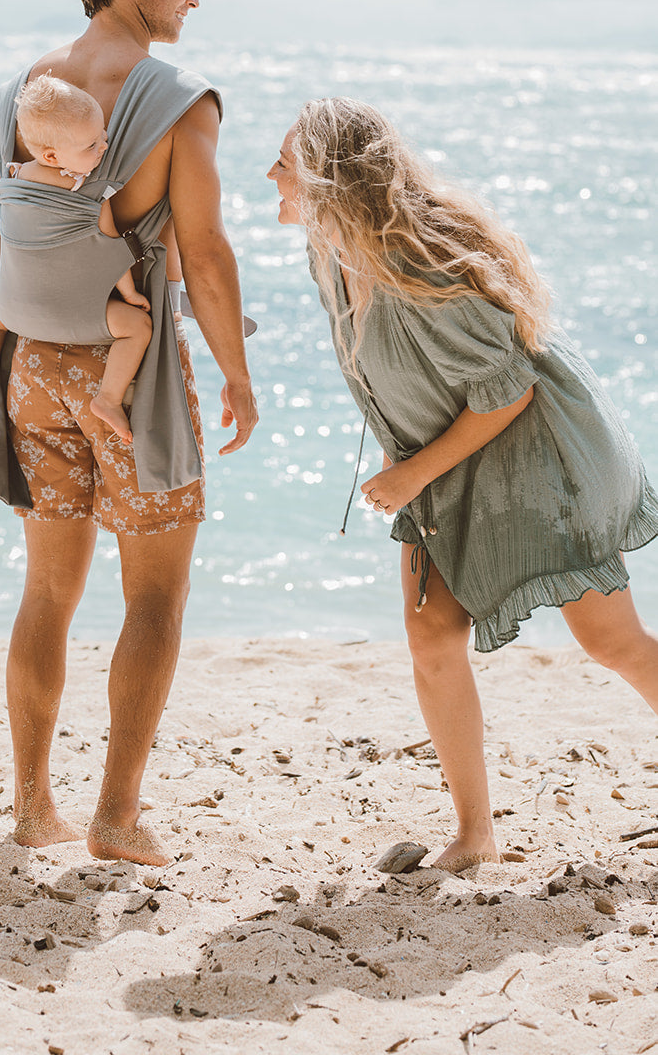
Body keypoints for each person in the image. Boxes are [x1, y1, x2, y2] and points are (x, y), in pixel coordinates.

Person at [269, 97, 658, 872]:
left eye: (285, 161)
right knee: (430, 638)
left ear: (327, 179)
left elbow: (509, 389)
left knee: (610, 642)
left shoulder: (412, 265)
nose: (271, 174)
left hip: (536, 460)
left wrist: (408, 472)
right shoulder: (328, 250)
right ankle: (474, 835)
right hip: (446, 462)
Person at [0, 0, 258, 866]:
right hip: (132, 375)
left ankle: (29, 807)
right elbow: (205, 255)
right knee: (155, 598)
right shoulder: (179, 96)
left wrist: (0, 360)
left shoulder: (22, 92)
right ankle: (117, 818)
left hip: (34, 367)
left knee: (47, 591)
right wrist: (235, 375)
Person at [0, 74, 152, 443]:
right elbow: (112, 251)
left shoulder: (10, 180)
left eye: (104, 134)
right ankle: (108, 400)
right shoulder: (93, 192)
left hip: (15, 314)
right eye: (92, 144)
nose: (105, 146)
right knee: (137, 328)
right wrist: (130, 295)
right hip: (72, 316)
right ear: (51, 156)